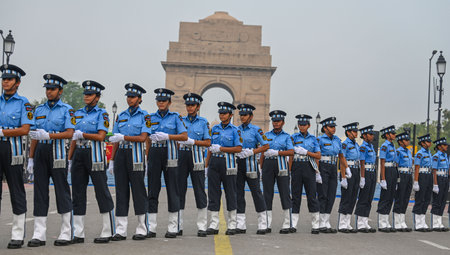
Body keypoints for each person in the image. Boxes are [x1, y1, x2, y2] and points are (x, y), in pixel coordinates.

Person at [27, 74, 74, 247]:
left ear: (60, 91)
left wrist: (49, 135)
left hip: (58, 151)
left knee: (62, 190)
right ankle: (39, 234)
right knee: (39, 192)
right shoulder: (39, 110)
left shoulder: (66, 110)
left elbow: (70, 133)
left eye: (52, 89)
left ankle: (66, 232)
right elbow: (34, 135)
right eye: (47, 89)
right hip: (41, 151)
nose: (49, 92)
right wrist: (31, 158)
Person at [68, 80, 115, 244]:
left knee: (101, 192)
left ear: (97, 97)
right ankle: (78, 233)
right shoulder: (77, 113)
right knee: (78, 193)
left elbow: (102, 136)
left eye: (90, 94)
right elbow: (74, 137)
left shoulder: (102, 114)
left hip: (94, 154)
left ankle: (108, 230)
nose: (86, 97)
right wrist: (69, 159)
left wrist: (84, 135)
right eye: (85, 94)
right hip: (79, 153)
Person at [108, 83, 150, 241]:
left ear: (139, 99)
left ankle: (142, 227)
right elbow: (116, 140)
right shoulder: (122, 115)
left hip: (136, 154)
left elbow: (143, 138)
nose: (129, 99)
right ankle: (121, 229)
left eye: (132, 97)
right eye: (128, 96)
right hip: (121, 154)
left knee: (139, 191)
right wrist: (111, 159)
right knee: (121, 191)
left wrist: (123, 137)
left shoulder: (145, 116)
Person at [147, 88, 188, 238]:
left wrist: (168, 136)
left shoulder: (176, 117)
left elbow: (184, 136)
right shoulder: (150, 117)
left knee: (172, 190)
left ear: (169, 102)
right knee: (152, 189)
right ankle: (151, 227)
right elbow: (146, 138)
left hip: (170, 154)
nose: (161, 103)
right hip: (154, 153)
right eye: (159, 100)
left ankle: (173, 226)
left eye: (164, 101)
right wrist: (147, 157)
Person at [0, 64, 33, 249]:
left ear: (17, 83)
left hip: (13, 150)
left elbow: (25, 129)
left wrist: (3, 132)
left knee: (16, 190)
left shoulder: (23, 104)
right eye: (4, 79)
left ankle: (18, 234)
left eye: (9, 79)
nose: (5, 82)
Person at [205, 102, 242, 235]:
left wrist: (221, 148)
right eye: (220, 113)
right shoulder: (214, 129)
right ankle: (214, 224)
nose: (221, 115)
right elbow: (210, 147)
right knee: (213, 193)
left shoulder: (235, 130)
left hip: (229, 163)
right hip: (215, 162)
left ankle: (232, 224)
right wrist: (206, 165)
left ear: (231, 115)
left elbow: (238, 148)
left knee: (230, 193)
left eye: (224, 113)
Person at [177, 93, 211, 237]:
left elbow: (208, 143)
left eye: (192, 105)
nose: (189, 107)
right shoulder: (179, 120)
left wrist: (194, 142)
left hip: (196, 156)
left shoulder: (203, 122)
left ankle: (202, 226)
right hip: (181, 156)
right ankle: (177, 224)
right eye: (187, 105)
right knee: (179, 190)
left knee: (199, 190)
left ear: (198, 107)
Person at [235, 104, 269, 235]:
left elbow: (266, 146)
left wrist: (252, 151)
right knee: (239, 194)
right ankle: (240, 224)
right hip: (238, 163)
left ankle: (262, 224)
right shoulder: (235, 129)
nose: (242, 117)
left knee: (256, 193)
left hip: (251, 164)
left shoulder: (256, 130)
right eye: (241, 115)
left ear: (251, 116)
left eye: (245, 115)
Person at [261, 110, 294, 234]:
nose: (275, 123)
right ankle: (266, 224)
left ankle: (287, 224)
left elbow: (291, 152)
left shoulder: (287, 136)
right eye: (274, 121)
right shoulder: (266, 135)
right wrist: (261, 167)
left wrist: (278, 152)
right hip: (268, 164)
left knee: (285, 193)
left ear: (283, 122)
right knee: (267, 194)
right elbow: (263, 152)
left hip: (281, 164)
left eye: (278, 121)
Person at [317, 117, 350, 234]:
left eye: (334, 127)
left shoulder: (337, 140)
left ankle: (326, 221)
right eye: (331, 127)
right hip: (323, 166)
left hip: (333, 167)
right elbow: (316, 155)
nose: (334, 129)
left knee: (331, 195)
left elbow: (341, 156)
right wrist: (317, 172)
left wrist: (347, 169)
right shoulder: (319, 139)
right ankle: (320, 222)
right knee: (323, 195)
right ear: (325, 128)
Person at [290, 114, 321, 234]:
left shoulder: (313, 139)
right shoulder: (292, 137)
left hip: (309, 167)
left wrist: (307, 152)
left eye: (304, 124)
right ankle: (293, 224)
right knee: (295, 196)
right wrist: (289, 170)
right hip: (297, 166)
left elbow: (318, 155)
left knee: (312, 196)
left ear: (309, 125)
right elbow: (290, 156)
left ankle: (315, 225)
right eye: (300, 124)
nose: (302, 127)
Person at [337, 122, 360, 233]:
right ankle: (342, 224)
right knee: (346, 197)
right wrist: (343, 177)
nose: (356, 133)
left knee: (353, 197)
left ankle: (348, 223)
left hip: (355, 170)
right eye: (354, 131)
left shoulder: (356, 144)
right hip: (348, 169)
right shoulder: (345, 144)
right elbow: (342, 160)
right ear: (348, 132)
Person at [354, 125, 377, 233]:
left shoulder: (371, 146)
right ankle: (360, 223)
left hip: (372, 172)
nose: (372, 136)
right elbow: (362, 163)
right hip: (366, 172)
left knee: (369, 198)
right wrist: (362, 177)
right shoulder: (363, 147)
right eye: (370, 134)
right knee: (363, 198)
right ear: (364, 135)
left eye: (372, 134)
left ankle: (365, 221)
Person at [376, 125, 397, 232]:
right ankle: (381, 222)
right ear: (387, 135)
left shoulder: (393, 146)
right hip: (387, 171)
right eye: (393, 133)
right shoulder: (385, 146)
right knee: (385, 197)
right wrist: (383, 178)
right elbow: (382, 163)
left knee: (390, 197)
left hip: (393, 171)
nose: (395, 135)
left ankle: (386, 221)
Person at [392, 132, 413, 232]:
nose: (408, 141)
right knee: (400, 197)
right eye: (405, 140)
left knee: (406, 198)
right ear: (400, 142)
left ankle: (402, 221)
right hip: (401, 174)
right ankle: (397, 222)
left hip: (409, 175)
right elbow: (395, 165)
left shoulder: (409, 151)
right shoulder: (398, 152)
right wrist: (397, 179)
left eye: (408, 140)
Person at [412, 134, 433, 232]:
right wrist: (416, 181)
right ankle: (418, 223)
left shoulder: (429, 153)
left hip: (429, 176)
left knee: (427, 199)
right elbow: (417, 168)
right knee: (420, 198)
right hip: (422, 176)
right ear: (423, 143)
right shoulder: (419, 153)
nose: (430, 143)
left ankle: (423, 221)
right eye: (428, 141)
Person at [430, 137, 449, 232]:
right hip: (439, 178)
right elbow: (434, 171)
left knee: (443, 201)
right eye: (445, 145)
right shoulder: (436, 156)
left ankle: (439, 222)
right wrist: (435, 184)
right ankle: (434, 223)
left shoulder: (445, 156)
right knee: (437, 201)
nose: (446, 147)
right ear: (439, 146)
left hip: (445, 179)